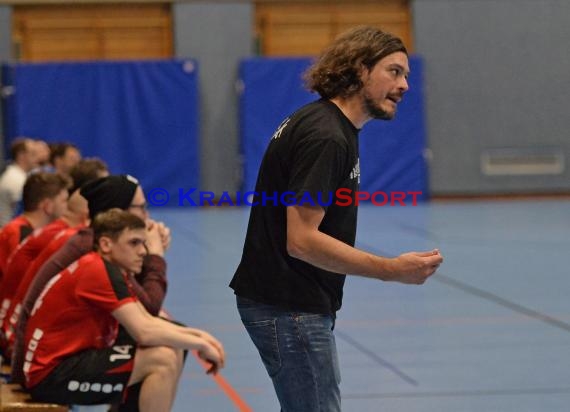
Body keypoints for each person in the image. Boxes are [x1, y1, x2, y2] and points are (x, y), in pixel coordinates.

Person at [229, 26, 444, 411]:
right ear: (361, 70)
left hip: (291, 303)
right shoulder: (327, 135)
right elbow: (302, 241)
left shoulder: (330, 126)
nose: (405, 85)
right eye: (394, 72)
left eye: (407, 75)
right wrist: (390, 269)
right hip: (289, 307)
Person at [23, 209, 225, 411]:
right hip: (51, 375)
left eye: (143, 243)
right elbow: (144, 332)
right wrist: (201, 345)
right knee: (161, 359)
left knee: (172, 346)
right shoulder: (96, 270)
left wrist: (200, 336)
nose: (143, 252)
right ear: (106, 244)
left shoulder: (110, 268)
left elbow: (146, 319)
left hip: (64, 363)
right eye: (134, 243)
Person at [10, 175, 170, 387]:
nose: (146, 215)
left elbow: (133, 296)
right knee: (160, 352)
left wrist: (141, 248)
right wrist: (155, 257)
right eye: (140, 207)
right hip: (41, 363)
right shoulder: (92, 249)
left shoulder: (92, 239)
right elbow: (149, 306)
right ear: (119, 211)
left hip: (38, 350)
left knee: (164, 338)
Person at [0, 172, 69, 282]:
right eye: (64, 201)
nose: (67, 206)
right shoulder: (19, 233)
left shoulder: (23, 229)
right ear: (48, 206)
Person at [0, 138, 41, 226]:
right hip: (10, 233)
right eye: (33, 154)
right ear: (21, 155)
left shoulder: (21, 175)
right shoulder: (15, 179)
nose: (38, 158)